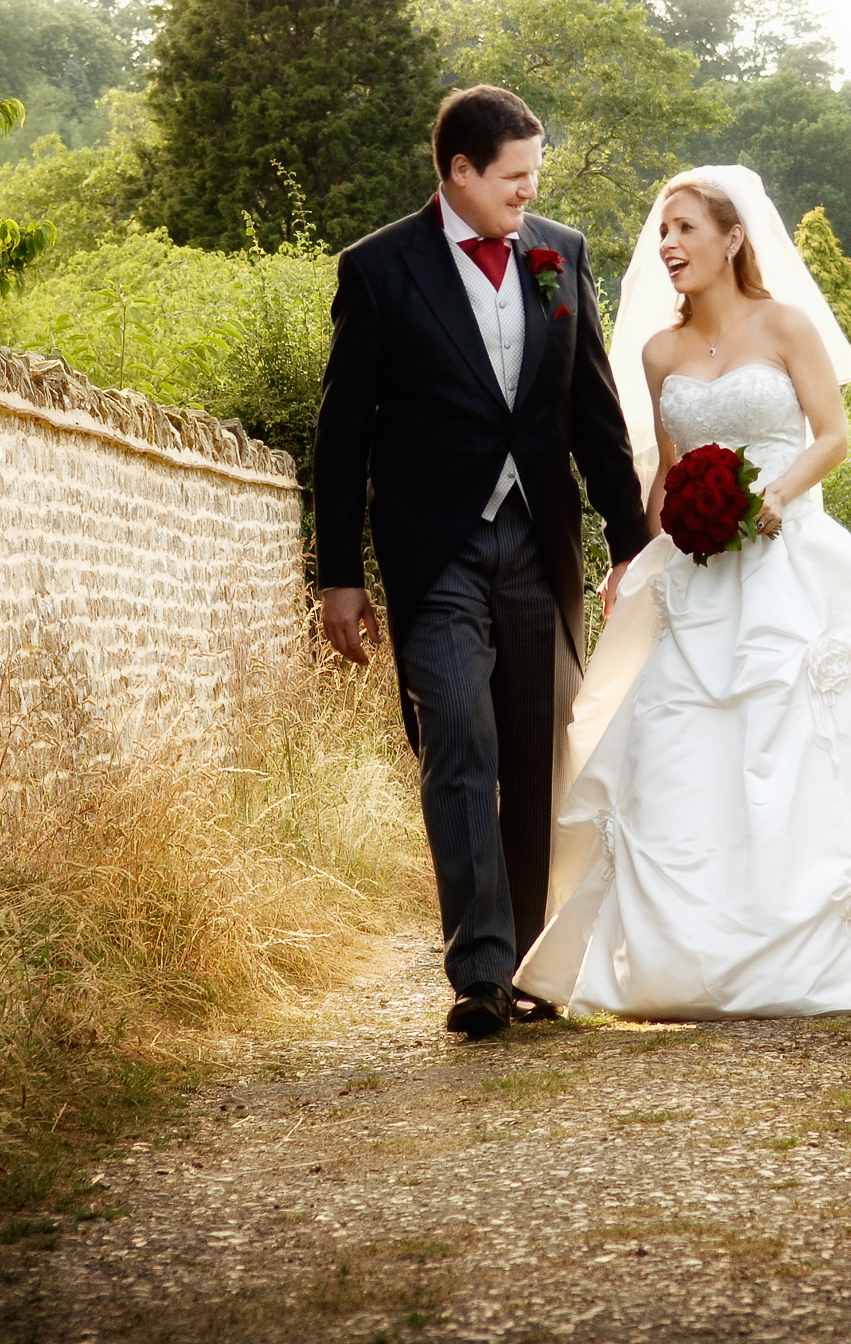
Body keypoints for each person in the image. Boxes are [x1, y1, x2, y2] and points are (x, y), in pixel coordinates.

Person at [514, 167, 851, 1019]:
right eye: (663, 232)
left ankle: (820, 939)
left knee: (800, 738)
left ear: (732, 238)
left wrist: (773, 496)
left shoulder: (786, 324)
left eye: (686, 228)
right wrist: (636, 560)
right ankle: (685, 957)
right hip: (695, 574)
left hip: (784, 554)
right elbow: (664, 476)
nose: (669, 245)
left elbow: (833, 436)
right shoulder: (659, 353)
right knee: (677, 746)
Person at [313, 86, 651, 1039]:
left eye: (533, 174)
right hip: (436, 552)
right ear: (458, 171)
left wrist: (634, 546)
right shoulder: (377, 270)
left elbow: (593, 410)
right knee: (460, 744)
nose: (527, 192)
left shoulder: (559, 255)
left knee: (541, 755)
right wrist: (339, 576)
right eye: (513, 176)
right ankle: (481, 971)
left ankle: (539, 960)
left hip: (538, 542)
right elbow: (342, 435)